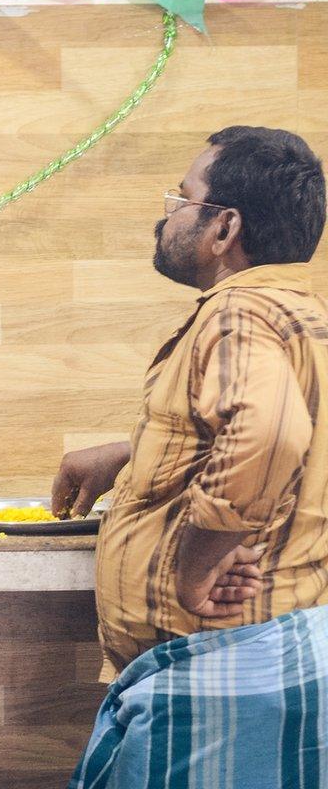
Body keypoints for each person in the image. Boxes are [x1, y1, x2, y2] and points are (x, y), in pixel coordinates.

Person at [52, 128, 328, 788]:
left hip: (222, 677)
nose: (166, 213)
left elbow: (270, 434)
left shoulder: (238, 314)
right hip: (274, 662)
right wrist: (133, 452)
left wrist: (196, 566)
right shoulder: (303, 314)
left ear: (223, 226)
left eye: (182, 197)